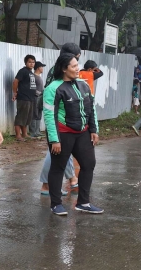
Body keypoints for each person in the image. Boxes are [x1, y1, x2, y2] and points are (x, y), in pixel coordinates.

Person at [43, 53, 102, 215]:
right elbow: (49, 116)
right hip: (62, 134)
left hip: (83, 133)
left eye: (78, 65)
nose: (78, 69)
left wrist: (94, 129)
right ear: (64, 69)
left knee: (89, 164)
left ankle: (83, 202)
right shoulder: (53, 88)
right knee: (58, 167)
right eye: (74, 66)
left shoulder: (83, 84)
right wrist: (54, 139)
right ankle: (56, 204)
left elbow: (91, 108)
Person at [39, 43, 82, 196]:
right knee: (55, 150)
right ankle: (46, 184)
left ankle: (72, 179)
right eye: (76, 59)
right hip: (58, 115)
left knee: (63, 150)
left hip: (63, 115)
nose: (77, 65)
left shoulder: (57, 68)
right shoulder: (59, 72)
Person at [12, 54, 37, 141]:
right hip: (23, 98)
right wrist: (15, 93)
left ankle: (25, 134)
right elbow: (15, 81)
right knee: (20, 116)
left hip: (30, 98)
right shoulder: (23, 71)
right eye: (29, 62)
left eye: (33, 62)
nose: (31, 64)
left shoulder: (31, 73)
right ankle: (18, 135)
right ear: (26, 62)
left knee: (27, 117)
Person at [29, 61, 45, 138]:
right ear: (38, 67)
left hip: (41, 97)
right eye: (42, 67)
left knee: (39, 113)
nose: (43, 68)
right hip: (35, 97)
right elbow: (31, 87)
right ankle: (32, 132)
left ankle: (37, 131)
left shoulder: (39, 76)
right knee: (34, 113)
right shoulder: (33, 76)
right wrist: (38, 93)